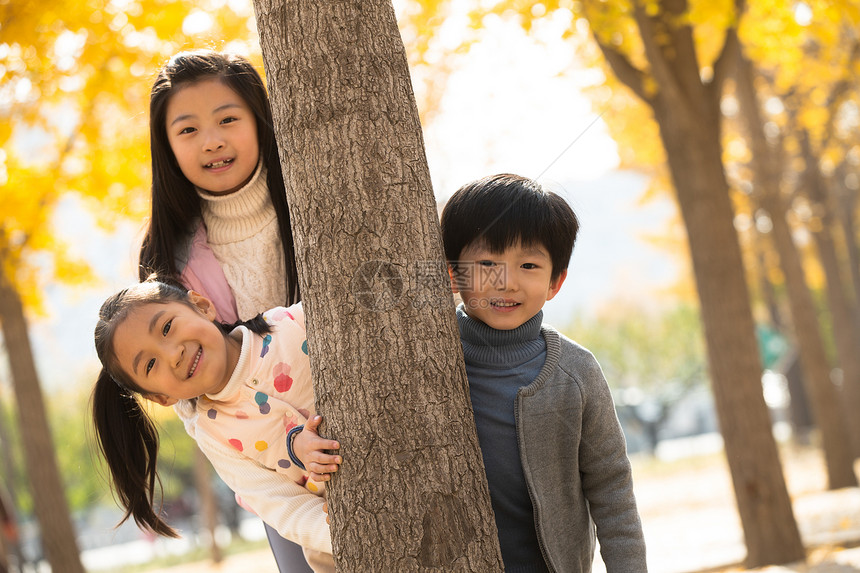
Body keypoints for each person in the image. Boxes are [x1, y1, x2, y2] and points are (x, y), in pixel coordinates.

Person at [294, 174, 648, 572]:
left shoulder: (575, 372)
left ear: (555, 282)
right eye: (487, 263)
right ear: (451, 274)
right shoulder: (419, 358)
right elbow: (353, 437)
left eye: (528, 265)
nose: (507, 281)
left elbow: (612, 488)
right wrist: (302, 448)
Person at [136, 49, 310, 570]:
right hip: (279, 463)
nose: (212, 140)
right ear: (166, 147)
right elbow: (195, 400)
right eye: (187, 130)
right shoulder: (170, 262)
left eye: (228, 119)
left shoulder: (314, 199)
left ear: (260, 121)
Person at [91, 280, 341, 573]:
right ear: (161, 398)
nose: (173, 355)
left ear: (202, 305)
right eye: (150, 365)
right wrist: (346, 533)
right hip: (336, 544)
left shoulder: (290, 324)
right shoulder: (214, 434)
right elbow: (280, 504)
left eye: (167, 328)